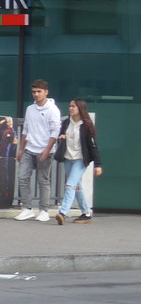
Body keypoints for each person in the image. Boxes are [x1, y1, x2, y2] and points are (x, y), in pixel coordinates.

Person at [14, 79, 62, 222]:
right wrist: (21, 149)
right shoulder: (30, 109)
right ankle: (27, 208)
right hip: (29, 149)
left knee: (43, 181)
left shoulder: (53, 110)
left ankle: (44, 210)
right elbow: (26, 130)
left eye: (39, 91)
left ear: (46, 92)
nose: (36, 94)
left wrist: (47, 150)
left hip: (44, 150)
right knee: (23, 177)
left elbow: (55, 131)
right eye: (34, 92)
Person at [54, 98, 103, 224]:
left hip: (80, 160)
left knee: (70, 185)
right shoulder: (66, 123)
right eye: (70, 106)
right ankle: (86, 212)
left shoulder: (86, 125)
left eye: (73, 106)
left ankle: (63, 213)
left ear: (80, 108)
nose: (70, 108)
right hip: (68, 158)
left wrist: (98, 165)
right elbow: (60, 137)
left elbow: (93, 145)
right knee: (76, 187)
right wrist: (62, 138)